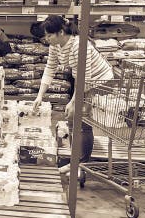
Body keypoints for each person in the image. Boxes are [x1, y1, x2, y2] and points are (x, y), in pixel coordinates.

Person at [32, 14, 114, 167]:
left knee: (82, 117)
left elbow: (84, 78)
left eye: (50, 35)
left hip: (100, 80)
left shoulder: (78, 45)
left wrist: (74, 101)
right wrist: (39, 96)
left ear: (61, 33)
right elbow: (50, 68)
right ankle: (76, 159)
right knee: (72, 117)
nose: (47, 39)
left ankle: (81, 164)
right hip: (84, 80)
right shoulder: (55, 46)